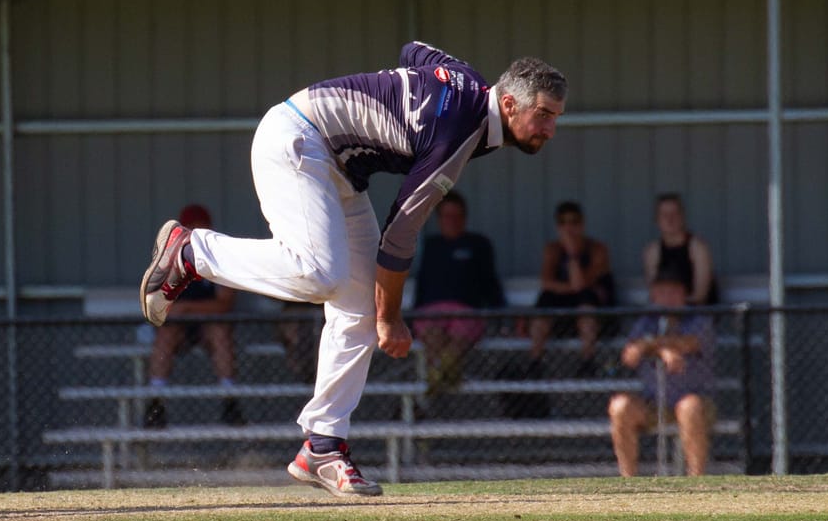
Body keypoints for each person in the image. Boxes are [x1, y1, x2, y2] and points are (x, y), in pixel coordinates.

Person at [139, 43, 567, 496]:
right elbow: (400, 233)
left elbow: (415, 52)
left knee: (359, 304)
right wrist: (392, 319)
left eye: (556, 117)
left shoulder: (464, 79)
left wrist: (402, 97)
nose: (550, 129)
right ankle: (192, 252)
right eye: (543, 114)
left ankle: (322, 446)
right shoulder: (459, 130)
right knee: (320, 274)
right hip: (298, 138)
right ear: (508, 103)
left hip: (337, 165)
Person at [144, 203, 241, 429]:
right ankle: (156, 404)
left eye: (201, 230)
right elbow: (159, 305)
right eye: (191, 230)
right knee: (166, 335)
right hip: (178, 328)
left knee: (219, 332)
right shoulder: (169, 259)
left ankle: (230, 401)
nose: (196, 237)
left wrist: (187, 309)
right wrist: (182, 311)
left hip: (208, 326)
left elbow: (224, 304)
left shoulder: (220, 258)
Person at [607, 277, 716, 477]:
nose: (668, 298)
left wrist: (649, 345)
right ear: (654, 296)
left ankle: (697, 480)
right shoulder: (645, 323)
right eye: (662, 292)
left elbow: (689, 343)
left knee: (689, 407)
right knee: (620, 407)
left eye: (674, 292)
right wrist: (663, 351)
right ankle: (628, 480)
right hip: (654, 402)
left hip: (695, 401)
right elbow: (630, 355)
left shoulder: (699, 320)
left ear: (685, 294)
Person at [410, 191, 504, 396]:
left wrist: (502, 314)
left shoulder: (478, 244)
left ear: (465, 218)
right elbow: (422, 284)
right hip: (432, 311)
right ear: (439, 219)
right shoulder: (432, 246)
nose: (452, 221)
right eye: (447, 216)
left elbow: (490, 282)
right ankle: (444, 375)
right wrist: (410, 317)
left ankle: (438, 377)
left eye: (457, 216)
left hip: (466, 310)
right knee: (433, 334)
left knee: (459, 337)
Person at [527, 200, 616, 364]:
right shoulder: (552, 249)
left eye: (574, 222)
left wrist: (572, 254)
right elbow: (546, 283)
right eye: (563, 222)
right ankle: (534, 361)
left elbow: (581, 283)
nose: (569, 228)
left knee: (586, 303)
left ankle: (588, 361)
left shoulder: (597, 249)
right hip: (561, 311)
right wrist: (570, 287)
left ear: (582, 224)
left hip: (595, 312)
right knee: (544, 301)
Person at [640, 192, 718, 306]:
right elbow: (654, 293)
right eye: (664, 215)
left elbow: (700, 295)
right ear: (657, 219)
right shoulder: (652, 251)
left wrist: (676, 305)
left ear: (682, 217)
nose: (670, 219)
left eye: (674, 213)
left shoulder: (698, 248)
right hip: (664, 310)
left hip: (696, 310)